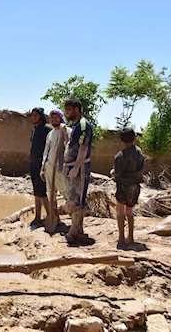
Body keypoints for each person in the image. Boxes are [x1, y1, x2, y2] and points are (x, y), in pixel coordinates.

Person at [63, 99, 95, 246]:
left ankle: (73, 232)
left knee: (77, 198)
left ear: (76, 109)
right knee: (73, 198)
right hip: (72, 167)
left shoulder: (83, 125)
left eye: (68, 109)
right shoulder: (76, 126)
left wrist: (76, 167)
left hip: (79, 169)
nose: (66, 112)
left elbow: (83, 147)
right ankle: (78, 230)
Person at [110, 128, 145, 248]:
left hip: (123, 185)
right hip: (135, 185)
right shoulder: (140, 153)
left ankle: (121, 239)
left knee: (120, 210)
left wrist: (113, 172)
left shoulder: (120, 156)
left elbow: (118, 172)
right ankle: (131, 238)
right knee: (129, 210)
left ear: (121, 140)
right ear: (135, 138)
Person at [40, 109, 71, 232]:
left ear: (61, 118)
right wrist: (43, 168)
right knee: (51, 195)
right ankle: (55, 218)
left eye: (56, 117)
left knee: (67, 194)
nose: (53, 119)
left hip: (61, 169)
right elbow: (46, 152)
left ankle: (75, 220)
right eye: (52, 118)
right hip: (49, 168)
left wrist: (65, 133)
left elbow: (70, 146)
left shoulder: (68, 131)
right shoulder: (50, 133)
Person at [30, 107, 53, 226]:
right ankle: (37, 217)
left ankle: (51, 217)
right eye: (32, 115)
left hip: (42, 165)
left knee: (42, 192)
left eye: (36, 115)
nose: (34, 117)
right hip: (33, 164)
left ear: (41, 116)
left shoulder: (47, 129)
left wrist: (45, 166)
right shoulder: (35, 129)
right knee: (36, 192)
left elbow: (51, 148)